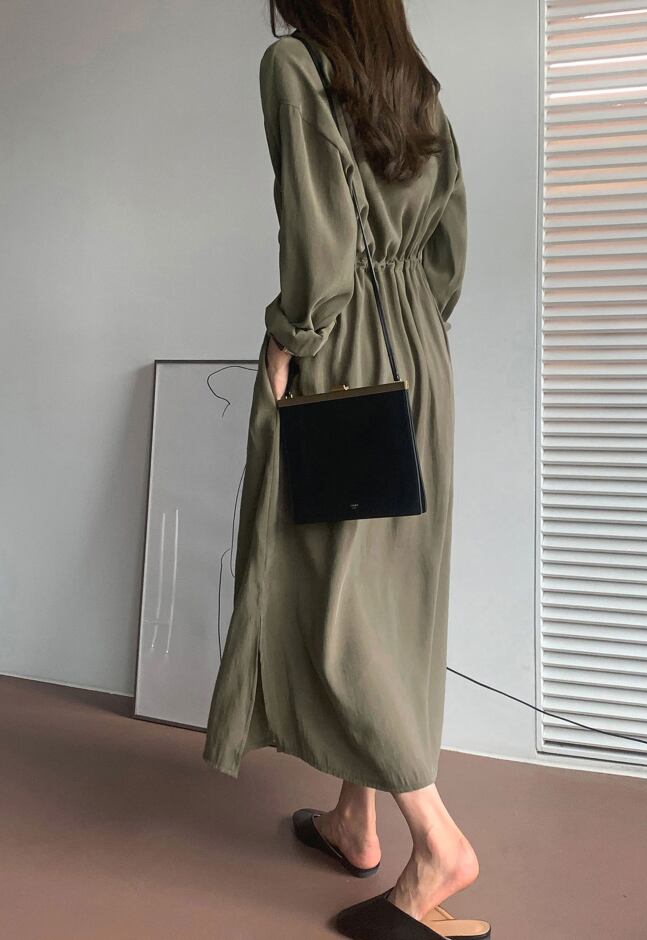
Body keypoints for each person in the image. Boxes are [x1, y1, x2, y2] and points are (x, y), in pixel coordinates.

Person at [203, 2, 488, 937]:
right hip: (419, 350)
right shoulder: (416, 86)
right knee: (381, 590)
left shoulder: (294, 66)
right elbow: (448, 252)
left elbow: (319, 245)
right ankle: (352, 820)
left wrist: (293, 338)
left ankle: (437, 842)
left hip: (344, 353)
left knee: (332, 600)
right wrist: (408, 323)